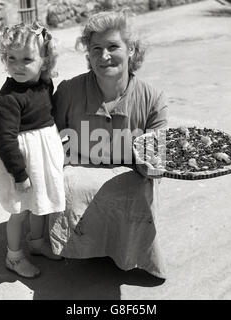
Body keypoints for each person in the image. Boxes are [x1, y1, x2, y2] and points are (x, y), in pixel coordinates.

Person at [49, 10, 168, 279]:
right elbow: (42, 135)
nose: (104, 56)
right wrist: (2, 158)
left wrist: (151, 167)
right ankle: (77, 247)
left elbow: (157, 154)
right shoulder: (68, 91)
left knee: (138, 189)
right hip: (80, 166)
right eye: (96, 49)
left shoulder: (153, 98)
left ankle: (128, 252)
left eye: (113, 46)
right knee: (69, 183)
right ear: (88, 55)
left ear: (131, 50)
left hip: (130, 171)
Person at [0, 21, 65, 278]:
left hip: (40, 157)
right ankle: (14, 257)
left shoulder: (43, 84)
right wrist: (20, 175)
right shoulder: (7, 99)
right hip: (20, 162)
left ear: (44, 61)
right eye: (11, 58)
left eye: (27, 59)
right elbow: (6, 142)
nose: (17, 65)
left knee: (40, 204)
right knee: (20, 211)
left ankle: (37, 242)